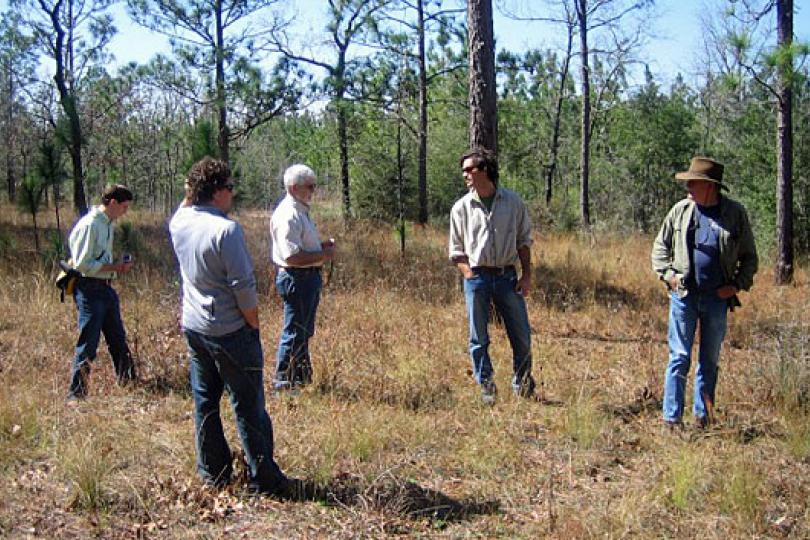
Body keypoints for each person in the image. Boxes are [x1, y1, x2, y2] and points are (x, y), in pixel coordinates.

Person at [169, 157, 287, 495]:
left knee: (205, 401)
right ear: (218, 191)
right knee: (249, 405)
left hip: (194, 326)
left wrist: (193, 187)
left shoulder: (179, 221)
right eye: (230, 188)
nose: (233, 194)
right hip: (230, 329)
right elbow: (243, 287)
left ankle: (213, 473)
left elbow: (186, 201)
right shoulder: (226, 229)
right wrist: (254, 323)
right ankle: (265, 479)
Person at [652, 156, 758, 429]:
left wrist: (735, 286)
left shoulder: (735, 214)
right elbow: (660, 248)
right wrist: (669, 276)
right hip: (683, 297)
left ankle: (704, 418)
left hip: (716, 300)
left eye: (693, 183)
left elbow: (749, 258)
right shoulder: (681, 211)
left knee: (709, 361)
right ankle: (671, 420)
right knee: (679, 357)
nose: (688, 187)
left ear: (710, 186)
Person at [449, 148, 536, 404]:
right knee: (478, 337)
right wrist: (469, 275)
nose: (465, 174)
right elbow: (456, 249)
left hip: (508, 277)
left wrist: (526, 275)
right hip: (477, 279)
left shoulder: (513, 202)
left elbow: (524, 241)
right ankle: (486, 385)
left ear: (485, 170)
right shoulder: (461, 208)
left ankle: (522, 382)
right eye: (463, 170)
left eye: (469, 169)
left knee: (521, 334)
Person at [66, 184, 137, 401]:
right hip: (89, 290)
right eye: (124, 207)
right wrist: (116, 267)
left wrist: (115, 267)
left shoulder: (107, 223)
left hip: (105, 288)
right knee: (88, 343)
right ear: (112, 203)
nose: (125, 212)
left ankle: (129, 383)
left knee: (118, 338)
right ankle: (76, 396)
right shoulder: (91, 225)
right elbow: (82, 264)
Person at [269, 164, 335, 392]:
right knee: (295, 330)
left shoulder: (300, 210)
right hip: (296, 278)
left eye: (314, 186)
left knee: (303, 331)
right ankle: (284, 382)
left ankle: (301, 378)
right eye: (310, 186)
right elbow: (292, 256)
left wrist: (321, 247)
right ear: (294, 187)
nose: (313, 191)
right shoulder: (289, 214)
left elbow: (301, 247)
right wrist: (323, 254)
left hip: (306, 278)